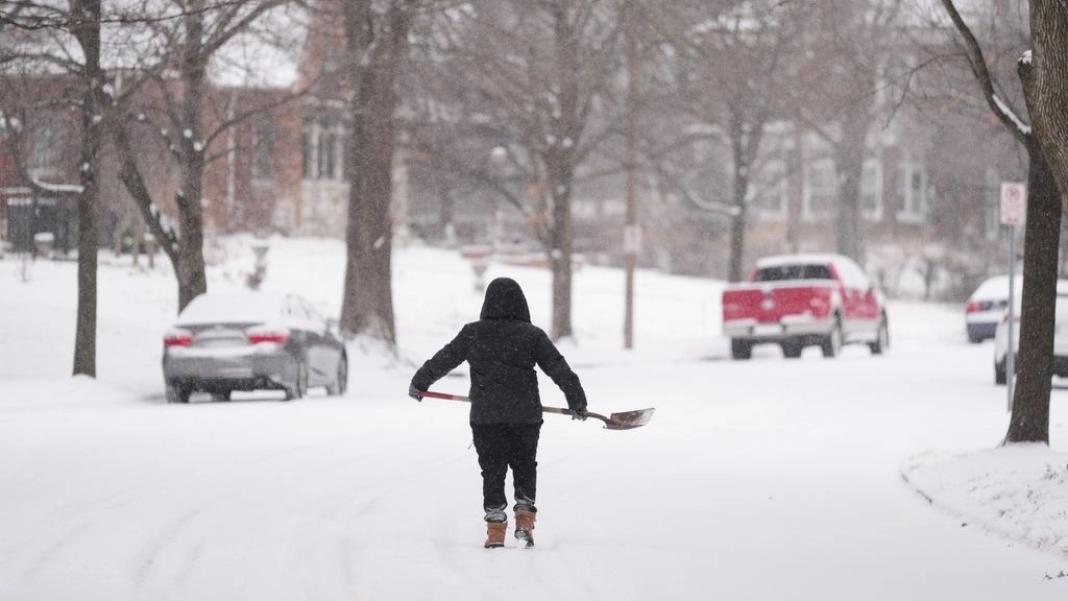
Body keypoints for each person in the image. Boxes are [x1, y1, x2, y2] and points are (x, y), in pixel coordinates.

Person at [409, 277, 588, 549]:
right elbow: (558, 368)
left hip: (486, 415)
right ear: (522, 303)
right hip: (525, 415)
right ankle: (524, 517)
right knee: (524, 464)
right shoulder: (532, 335)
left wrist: (420, 382)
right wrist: (577, 400)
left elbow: (444, 359)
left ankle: (495, 528)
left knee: (492, 470)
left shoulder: (473, 333)